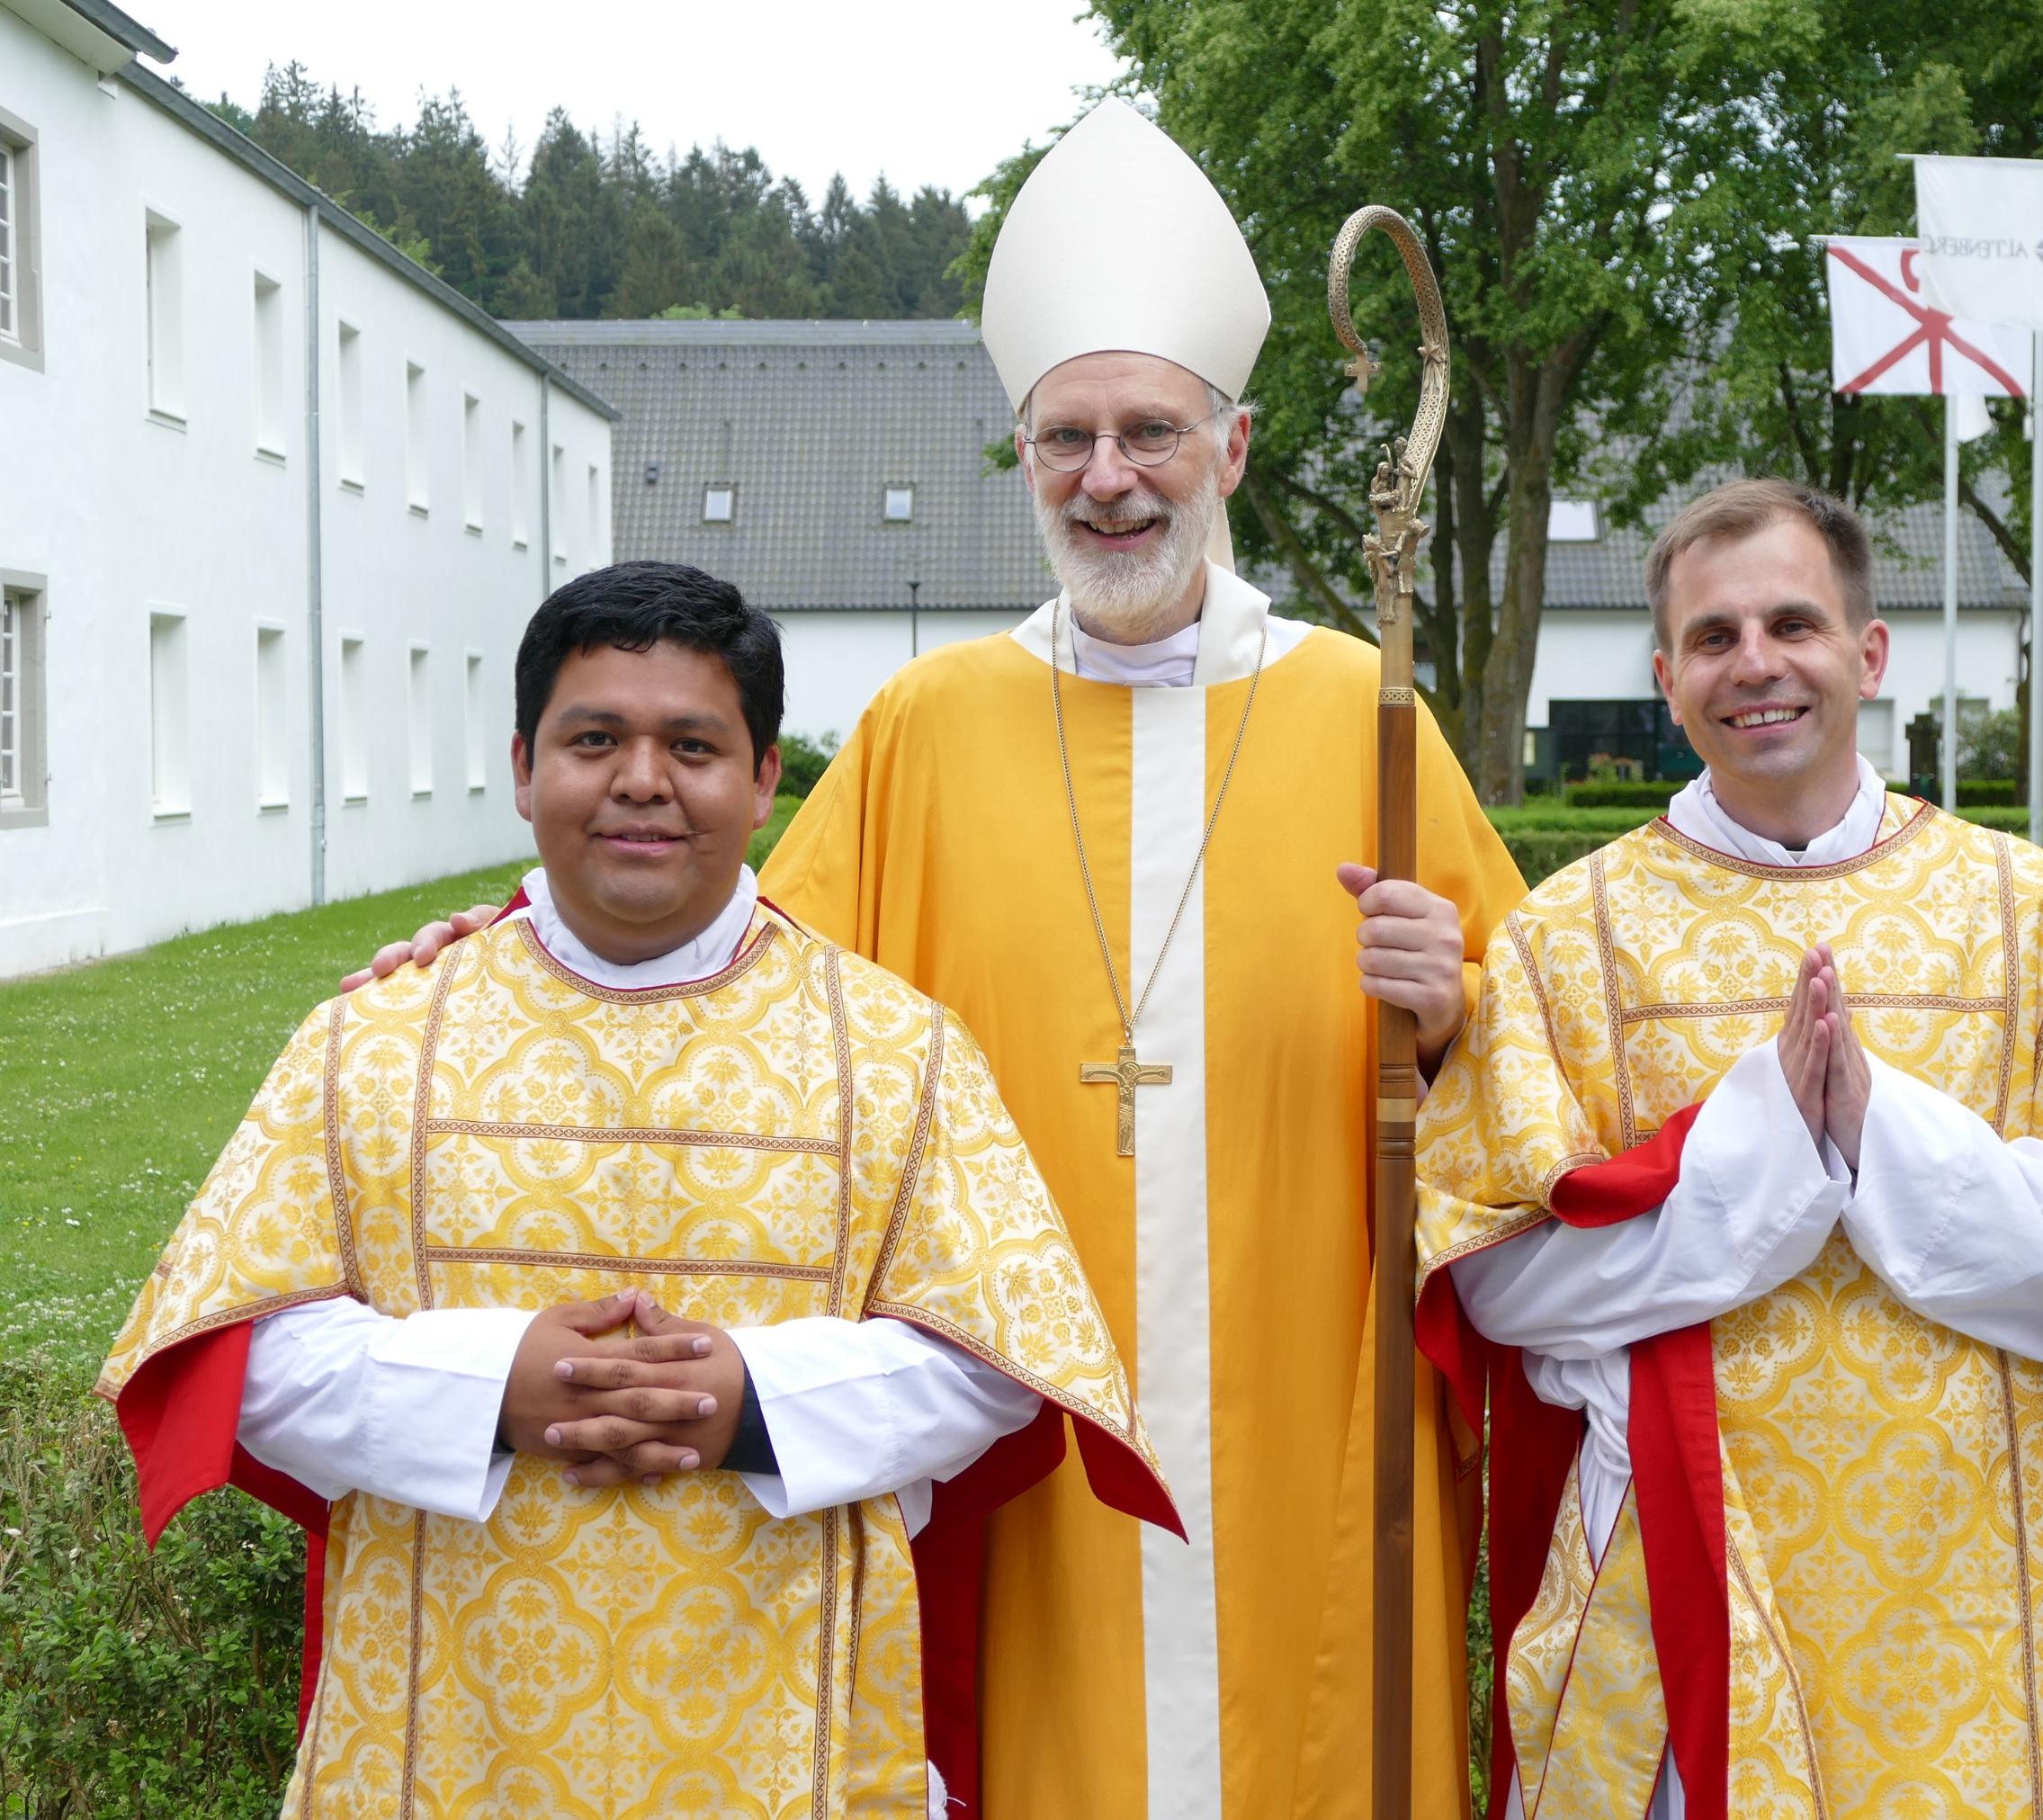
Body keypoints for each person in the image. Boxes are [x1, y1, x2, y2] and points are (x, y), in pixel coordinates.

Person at [349, 101, 1528, 1819]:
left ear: (1236, 450)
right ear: (1025, 458)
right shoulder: (926, 725)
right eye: (1064, 439)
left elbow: (1534, 1101)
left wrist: (1451, 1016)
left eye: (1148, 434)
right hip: (1002, 1416)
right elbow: (728, 993)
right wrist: (512, 954)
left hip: (1303, 1397)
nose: (1106, 478)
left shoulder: (1370, 713)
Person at [99, 563, 1173, 1820]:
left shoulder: (897, 1049)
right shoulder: (371, 1041)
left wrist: (748, 1400)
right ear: (522, 765)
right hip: (440, 1727)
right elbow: (237, 1356)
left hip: (794, 1724)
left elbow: (995, 1361)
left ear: (767, 780)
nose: (642, 781)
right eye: (594, 738)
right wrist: (494, 1385)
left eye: (694, 744)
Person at [1413, 478, 2043, 1819]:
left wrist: (1878, 1138)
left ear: (1867, 652)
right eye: (1713, 638)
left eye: (1793, 623)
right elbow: (1492, 1279)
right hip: (1675, 1555)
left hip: (1971, 1558)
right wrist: (1766, 1155)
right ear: (1665, 678)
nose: (1755, 665)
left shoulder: (2028, 916)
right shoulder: (1566, 938)